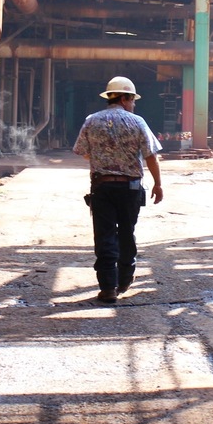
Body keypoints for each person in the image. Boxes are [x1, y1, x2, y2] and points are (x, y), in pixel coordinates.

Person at [73, 76, 164, 304]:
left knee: (104, 236)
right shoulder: (138, 122)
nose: (134, 105)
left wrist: (105, 157)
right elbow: (151, 155)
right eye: (132, 100)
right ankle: (124, 279)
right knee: (126, 232)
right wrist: (158, 183)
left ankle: (108, 288)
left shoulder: (91, 121)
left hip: (102, 187)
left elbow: (83, 151)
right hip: (130, 188)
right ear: (124, 98)